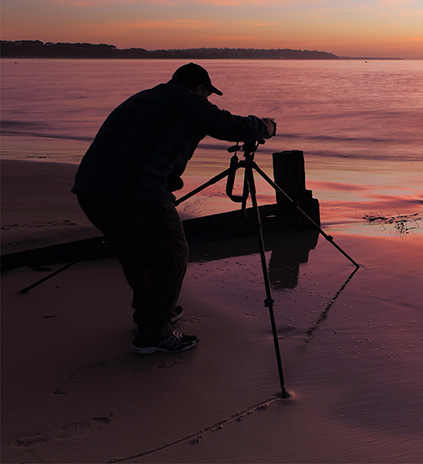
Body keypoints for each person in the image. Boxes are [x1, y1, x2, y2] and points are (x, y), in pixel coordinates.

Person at [72, 63, 277, 354]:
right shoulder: (189, 102)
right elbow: (231, 126)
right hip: (136, 191)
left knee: (136, 255)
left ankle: (150, 316)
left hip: (90, 189)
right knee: (171, 257)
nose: (206, 100)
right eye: (207, 94)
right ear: (200, 89)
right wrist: (265, 126)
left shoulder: (143, 97)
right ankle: (153, 335)